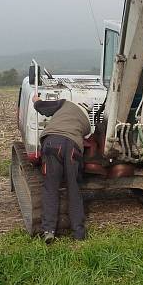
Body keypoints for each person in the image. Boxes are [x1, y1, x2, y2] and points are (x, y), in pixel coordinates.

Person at [33, 93, 92, 243]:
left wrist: (36, 101)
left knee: (51, 188)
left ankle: (49, 230)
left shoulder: (65, 104)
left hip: (53, 143)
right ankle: (79, 233)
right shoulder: (87, 124)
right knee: (74, 189)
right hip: (73, 148)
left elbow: (43, 109)